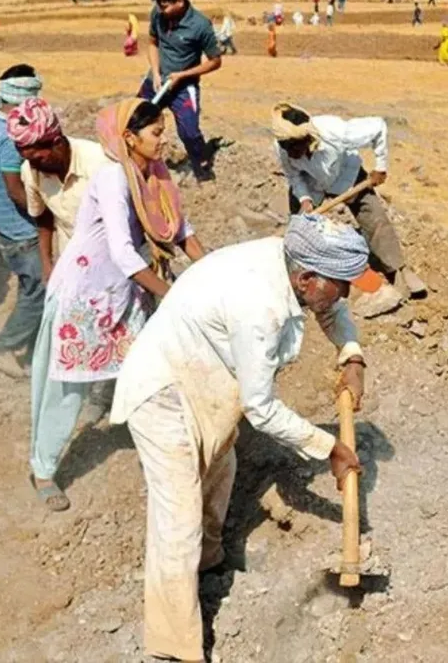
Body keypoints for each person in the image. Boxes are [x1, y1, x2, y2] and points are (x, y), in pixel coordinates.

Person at [110, 213, 368, 663]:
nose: (345, 294)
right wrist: (329, 447)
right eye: (340, 283)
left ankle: (209, 566)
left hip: (204, 380)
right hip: (163, 390)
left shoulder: (292, 263)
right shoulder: (259, 307)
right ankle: (173, 648)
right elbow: (261, 407)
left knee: (219, 472)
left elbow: (334, 309)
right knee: (178, 518)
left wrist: (352, 354)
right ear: (307, 278)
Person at [28, 99, 206, 512]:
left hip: (124, 294)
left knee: (152, 368)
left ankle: (164, 449)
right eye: (156, 133)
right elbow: (124, 254)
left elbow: (182, 231)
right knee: (69, 387)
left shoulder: (155, 175)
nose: (164, 140)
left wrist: (215, 272)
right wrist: (174, 293)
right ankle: (43, 468)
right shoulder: (113, 179)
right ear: (129, 137)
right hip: (85, 294)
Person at [271, 102, 426, 316]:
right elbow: (294, 176)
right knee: (300, 230)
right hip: (312, 184)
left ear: (306, 138)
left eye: (296, 149)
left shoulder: (336, 132)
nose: (292, 154)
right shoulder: (283, 147)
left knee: (376, 220)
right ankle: (298, 278)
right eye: (288, 150)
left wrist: (380, 167)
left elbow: (379, 126)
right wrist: (305, 199)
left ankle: (399, 270)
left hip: (348, 177)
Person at [0, 65, 47, 378]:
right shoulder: (9, 136)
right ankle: (4, 347)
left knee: (29, 288)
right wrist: (43, 213)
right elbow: (14, 187)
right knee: (40, 289)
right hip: (20, 229)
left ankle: (32, 348)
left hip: (6, 224)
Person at [7, 97, 110, 273]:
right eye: (28, 160)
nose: (34, 166)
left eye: (38, 159)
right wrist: (47, 263)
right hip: (73, 263)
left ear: (57, 144)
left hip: (110, 262)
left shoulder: (100, 164)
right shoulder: (30, 171)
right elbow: (43, 216)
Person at [138, 0, 223, 182]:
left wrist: (182, 75)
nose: (161, 10)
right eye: (159, 6)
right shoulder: (158, 14)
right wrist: (156, 73)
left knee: (189, 133)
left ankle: (202, 168)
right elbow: (152, 43)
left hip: (184, 87)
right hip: (156, 82)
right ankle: (136, 165)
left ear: (179, 1)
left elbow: (215, 61)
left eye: (165, 6)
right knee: (136, 120)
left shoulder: (200, 25)